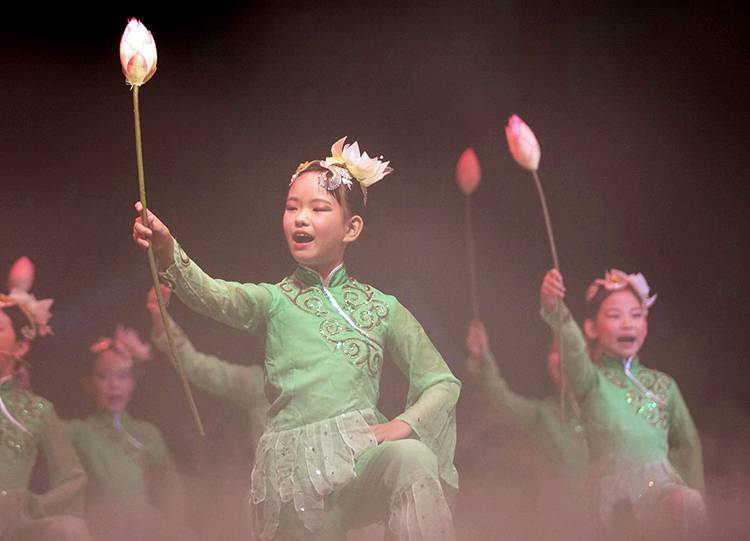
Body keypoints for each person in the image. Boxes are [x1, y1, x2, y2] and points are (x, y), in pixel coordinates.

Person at [132, 137, 461, 541]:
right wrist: (168, 252)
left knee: (412, 458)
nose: (300, 219)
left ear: (351, 228)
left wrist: (400, 426)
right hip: (294, 475)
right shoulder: (273, 300)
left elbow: (441, 383)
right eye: (292, 208)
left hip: (359, 458)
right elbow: (212, 295)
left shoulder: (382, 308)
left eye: (318, 209)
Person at [540, 268, 707, 539]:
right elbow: (571, 346)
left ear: (646, 324)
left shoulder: (664, 385)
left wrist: (700, 506)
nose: (627, 324)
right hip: (617, 502)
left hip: (662, 491)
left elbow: (688, 447)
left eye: (636, 315)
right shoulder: (590, 381)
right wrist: (553, 307)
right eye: (615, 316)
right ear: (591, 328)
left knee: (683, 502)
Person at [147, 285, 267, 540]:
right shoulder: (260, 384)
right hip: (269, 498)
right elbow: (196, 366)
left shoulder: (329, 381)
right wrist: (161, 319)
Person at [464, 320, 590, 539]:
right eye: (554, 350)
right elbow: (500, 398)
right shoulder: (544, 415)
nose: (561, 358)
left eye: (571, 350)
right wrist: (483, 358)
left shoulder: (612, 411)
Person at [67, 326, 193, 541]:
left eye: (122, 376)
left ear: (133, 381)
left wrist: (175, 529)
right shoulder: (78, 431)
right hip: (99, 529)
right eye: (103, 376)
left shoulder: (148, 433)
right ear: (89, 384)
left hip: (148, 530)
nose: (114, 385)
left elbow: (170, 491)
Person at [0, 257, 92, 541]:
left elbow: (73, 477)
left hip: (11, 523)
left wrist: (34, 504)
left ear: (21, 345)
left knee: (69, 530)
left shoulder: (37, 410)